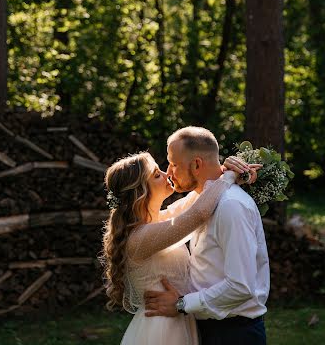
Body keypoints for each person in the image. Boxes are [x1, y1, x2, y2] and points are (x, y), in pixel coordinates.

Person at [101, 148, 258, 345]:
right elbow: (199, 212)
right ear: (141, 191)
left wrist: (223, 170)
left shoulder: (157, 222)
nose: (168, 175)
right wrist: (227, 178)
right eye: (157, 175)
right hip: (161, 328)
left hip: (177, 317)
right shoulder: (141, 237)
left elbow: (197, 198)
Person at [144, 126, 270, 345]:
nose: (169, 172)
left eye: (174, 164)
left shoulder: (231, 206)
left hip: (234, 334)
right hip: (205, 328)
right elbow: (160, 220)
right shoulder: (201, 200)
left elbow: (240, 286)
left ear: (196, 164)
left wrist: (181, 304)